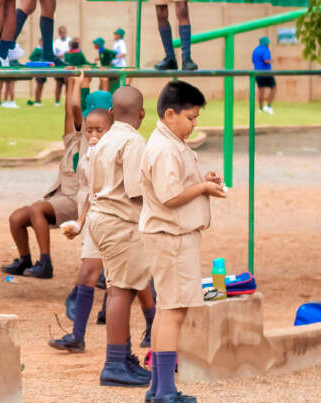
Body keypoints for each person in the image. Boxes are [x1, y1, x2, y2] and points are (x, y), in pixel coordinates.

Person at [141, 80, 226, 402]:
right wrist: (203, 189)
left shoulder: (170, 142)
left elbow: (177, 184)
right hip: (171, 237)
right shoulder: (164, 148)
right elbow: (170, 195)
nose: (194, 124)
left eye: (196, 118)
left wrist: (202, 181)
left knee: (168, 309)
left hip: (172, 236)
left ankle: (159, 388)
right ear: (170, 114)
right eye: (190, 118)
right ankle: (164, 390)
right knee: (173, 311)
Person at [2, 74, 107, 281]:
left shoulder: (93, 141)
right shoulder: (73, 140)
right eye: (87, 128)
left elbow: (76, 108)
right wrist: (70, 82)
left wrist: (85, 83)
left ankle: (45, 262)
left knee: (37, 209)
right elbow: (70, 112)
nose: (89, 131)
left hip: (76, 198)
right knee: (16, 218)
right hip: (60, 196)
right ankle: (25, 259)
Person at [86, 86, 155, 387]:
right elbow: (136, 190)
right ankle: (114, 363)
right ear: (143, 113)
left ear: (112, 113)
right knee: (121, 292)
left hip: (101, 218)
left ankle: (123, 357)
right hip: (120, 222)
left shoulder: (106, 138)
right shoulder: (133, 141)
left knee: (120, 288)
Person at [49, 75, 113, 352]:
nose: (93, 135)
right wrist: (80, 220)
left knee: (131, 277)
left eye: (99, 129)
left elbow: (75, 106)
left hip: (116, 219)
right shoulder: (87, 147)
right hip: (92, 212)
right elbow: (89, 193)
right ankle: (78, 334)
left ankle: (147, 325)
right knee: (91, 270)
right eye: (89, 130)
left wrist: (77, 83)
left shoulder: (118, 147)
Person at [253, 36, 276, 114]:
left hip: (257, 73)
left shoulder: (255, 50)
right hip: (266, 72)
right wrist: (272, 61)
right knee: (274, 88)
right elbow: (266, 60)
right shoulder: (265, 49)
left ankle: (260, 108)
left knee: (261, 91)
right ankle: (268, 106)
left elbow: (253, 61)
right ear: (266, 43)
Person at [53, 26, 72, 105]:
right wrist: (61, 56)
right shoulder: (56, 42)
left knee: (68, 83)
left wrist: (65, 55)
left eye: (64, 32)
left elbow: (72, 52)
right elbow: (54, 54)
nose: (63, 33)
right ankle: (57, 102)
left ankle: (68, 101)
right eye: (61, 32)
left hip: (68, 65)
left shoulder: (70, 41)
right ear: (59, 33)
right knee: (58, 83)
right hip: (59, 65)